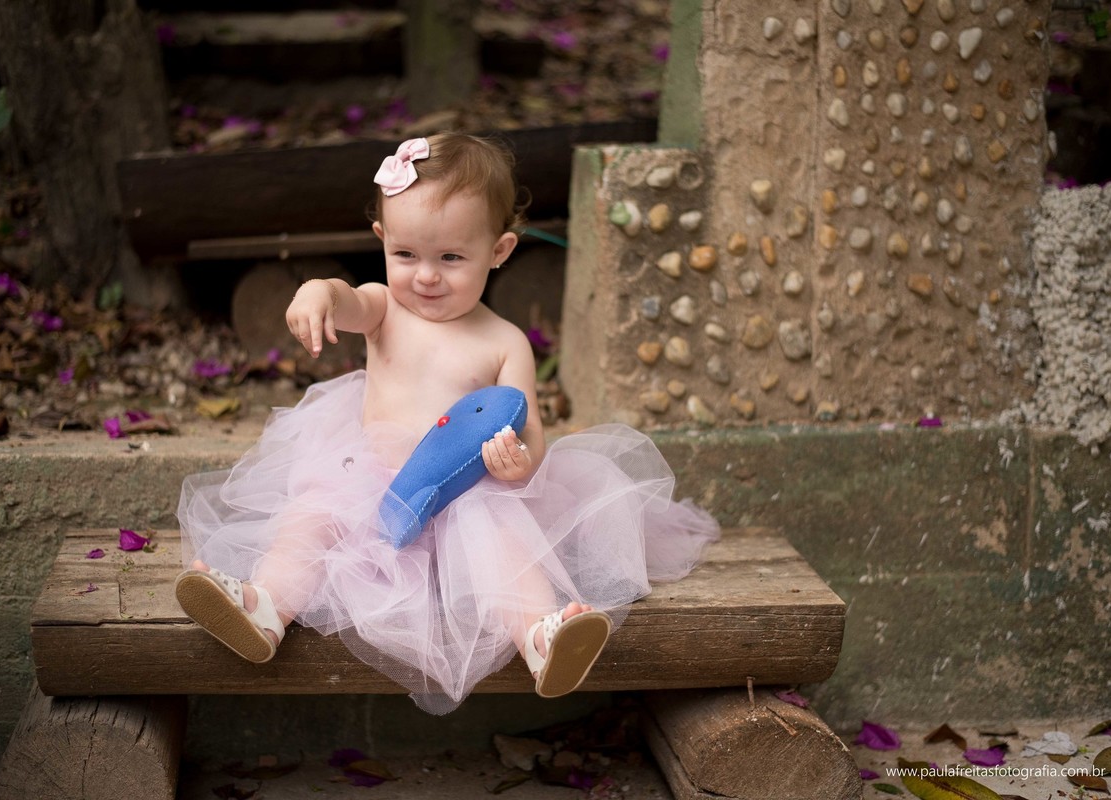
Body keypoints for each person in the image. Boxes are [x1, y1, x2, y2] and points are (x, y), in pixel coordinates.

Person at [174, 132, 719, 714]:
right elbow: (346, 298)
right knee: (311, 516)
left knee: (507, 537)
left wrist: (518, 464)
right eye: (406, 255)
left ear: (500, 249)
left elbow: (526, 425)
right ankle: (264, 609)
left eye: (451, 258)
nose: (426, 277)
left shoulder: (505, 342)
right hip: (372, 487)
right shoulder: (385, 308)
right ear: (382, 240)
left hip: (465, 495)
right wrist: (317, 292)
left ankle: (542, 636)